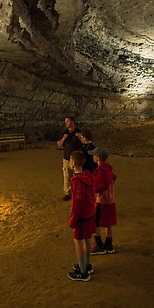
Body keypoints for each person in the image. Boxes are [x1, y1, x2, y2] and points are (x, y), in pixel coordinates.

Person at [67, 151, 96, 282]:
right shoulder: (87, 176)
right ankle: (87, 264)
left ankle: (83, 272)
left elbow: (77, 202)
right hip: (89, 213)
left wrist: (73, 219)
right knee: (87, 239)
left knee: (78, 241)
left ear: (73, 163)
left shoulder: (76, 181)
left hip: (81, 216)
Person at [88, 146, 117, 254]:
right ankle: (109, 244)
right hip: (110, 199)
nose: (93, 157)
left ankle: (99, 244)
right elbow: (113, 178)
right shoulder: (108, 168)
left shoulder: (100, 170)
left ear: (98, 157)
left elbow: (99, 187)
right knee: (109, 222)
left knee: (96, 223)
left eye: (94, 155)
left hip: (101, 200)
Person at [57, 116, 83, 201]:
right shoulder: (64, 133)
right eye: (65, 122)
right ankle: (68, 193)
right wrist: (63, 138)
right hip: (67, 159)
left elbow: (85, 142)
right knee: (67, 176)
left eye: (67, 121)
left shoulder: (79, 132)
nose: (66, 123)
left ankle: (78, 192)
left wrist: (80, 137)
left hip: (77, 159)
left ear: (72, 121)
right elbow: (59, 145)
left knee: (78, 176)